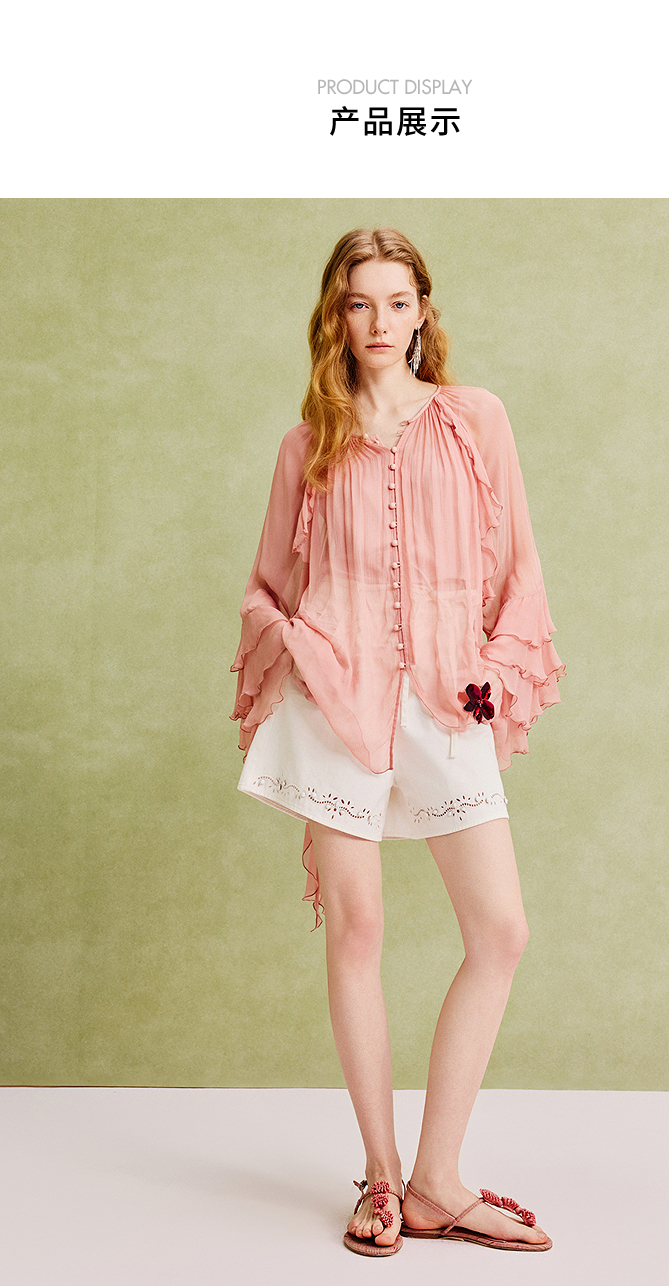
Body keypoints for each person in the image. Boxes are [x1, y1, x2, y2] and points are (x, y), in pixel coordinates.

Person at [231, 228, 564, 1255]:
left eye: (395, 301)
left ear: (423, 309)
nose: (378, 323)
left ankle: (437, 1182)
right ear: (335, 316)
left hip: (448, 699)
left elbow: (518, 569)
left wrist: (496, 669)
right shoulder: (307, 445)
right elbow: (266, 589)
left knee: (499, 931)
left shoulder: (475, 421)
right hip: (335, 705)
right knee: (358, 930)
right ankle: (381, 1178)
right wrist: (302, 646)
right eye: (357, 303)